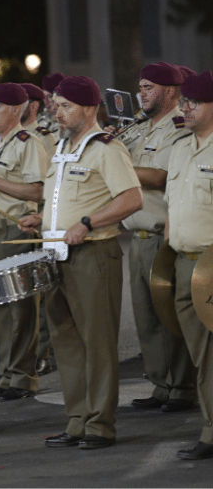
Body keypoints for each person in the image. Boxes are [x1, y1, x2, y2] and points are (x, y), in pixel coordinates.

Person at [19, 76, 143, 450]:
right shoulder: (61, 147)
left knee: (97, 343)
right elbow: (66, 198)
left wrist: (88, 223)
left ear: (89, 109)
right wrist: (43, 219)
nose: (57, 112)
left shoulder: (106, 148)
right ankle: (77, 420)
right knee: (67, 342)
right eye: (56, 105)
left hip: (93, 255)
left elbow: (131, 199)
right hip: (58, 253)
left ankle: (100, 425)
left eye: (65, 106)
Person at [118, 62, 196, 413]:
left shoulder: (178, 126)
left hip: (162, 234)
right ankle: (161, 384)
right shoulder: (140, 127)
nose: (142, 93)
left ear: (170, 91)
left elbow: (161, 176)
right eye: (140, 87)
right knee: (146, 317)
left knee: (169, 315)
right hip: (136, 235)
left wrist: (113, 166)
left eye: (148, 87)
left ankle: (181, 387)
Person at [0, 83, 47, 401]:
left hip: (18, 230)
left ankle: (23, 376)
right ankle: (8, 373)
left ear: (15, 110)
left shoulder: (28, 143)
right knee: (1, 308)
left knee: (21, 308)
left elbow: (38, 192)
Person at [165, 71, 213, 460]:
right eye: (184, 101)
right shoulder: (180, 147)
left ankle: (212, 434)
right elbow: (171, 206)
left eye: (194, 102)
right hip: (183, 264)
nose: (186, 108)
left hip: (211, 266)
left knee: (211, 354)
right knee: (201, 354)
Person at [19, 82, 56, 376]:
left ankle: (42, 350)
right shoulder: (0, 139)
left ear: (33, 106)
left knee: (38, 292)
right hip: (12, 222)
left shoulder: (43, 139)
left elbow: (47, 186)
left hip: (35, 220)